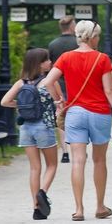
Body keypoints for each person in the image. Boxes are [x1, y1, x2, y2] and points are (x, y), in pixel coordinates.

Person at [39, 20, 112, 221]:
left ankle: (79, 209)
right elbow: (110, 91)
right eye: (97, 36)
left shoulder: (65, 57)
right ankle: (99, 206)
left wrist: (58, 101)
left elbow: (47, 82)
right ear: (93, 36)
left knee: (77, 161)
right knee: (99, 160)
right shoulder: (102, 59)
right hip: (99, 113)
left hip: (75, 113)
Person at [0, 47, 65, 220]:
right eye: (47, 60)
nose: (50, 62)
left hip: (26, 129)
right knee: (51, 165)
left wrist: (21, 106)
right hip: (44, 127)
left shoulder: (21, 83)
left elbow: (4, 101)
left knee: (35, 168)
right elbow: (60, 104)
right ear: (39, 63)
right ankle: (42, 193)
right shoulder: (50, 82)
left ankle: (36, 208)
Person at [48, 16, 80, 163]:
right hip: (76, 84)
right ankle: (78, 148)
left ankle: (65, 152)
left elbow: (51, 67)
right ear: (72, 26)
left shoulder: (53, 44)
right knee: (77, 117)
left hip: (59, 83)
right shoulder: (77, 43)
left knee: (61, 117)